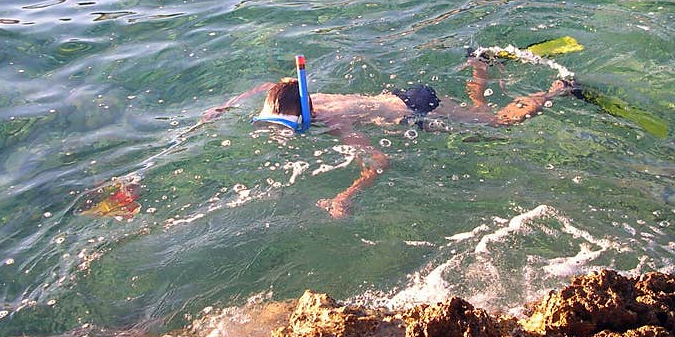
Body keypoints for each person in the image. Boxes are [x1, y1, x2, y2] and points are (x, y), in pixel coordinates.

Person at [201, 55, 576, 219]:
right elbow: (271, 84)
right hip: (401, 97)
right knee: (477, 115)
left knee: (496, 123)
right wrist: (227, 105)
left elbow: (381, 161)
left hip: (416, 109)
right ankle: (481, 63)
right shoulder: (305, 96)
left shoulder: (333, 122)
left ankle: (557, 89)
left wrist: (343, 197)